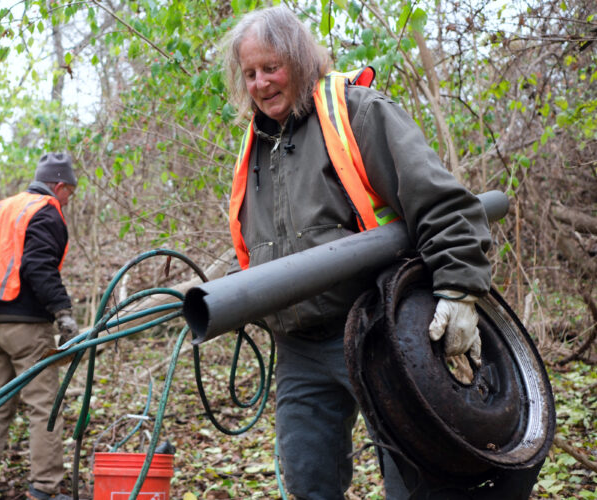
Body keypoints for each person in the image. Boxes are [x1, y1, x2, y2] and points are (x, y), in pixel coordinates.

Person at [221, 6, 542, 499]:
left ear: (299, 61)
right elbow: (261, 247)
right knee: (308, 482)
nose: (261, 83)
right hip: (299, 348)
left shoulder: (356, 113)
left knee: (413, 480)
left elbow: (440, 202)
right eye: (250, 74)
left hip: (377, 328)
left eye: (271, 68)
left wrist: (459, 290)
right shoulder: (257, 146)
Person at [0, 152, 80, 500]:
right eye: (70, 192)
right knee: (45, 405)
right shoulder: (46, 211)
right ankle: (45, 488)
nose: (68, 200)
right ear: (59, 186)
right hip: (26, 325)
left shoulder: (3, 208)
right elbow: (38, 265)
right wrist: (63, 311)